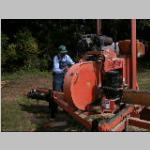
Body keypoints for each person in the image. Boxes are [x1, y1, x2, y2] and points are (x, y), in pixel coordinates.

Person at [50, 45, 75, 118]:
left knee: (65, 93)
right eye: (62, 53)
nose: (64, 54)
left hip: (65, 77)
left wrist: (70, 68)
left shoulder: (67, 57)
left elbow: (73, 63)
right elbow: (55, 69)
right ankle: (53, 111)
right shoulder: (56, 58)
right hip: (58, 77)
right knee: (56, 94)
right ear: (59, 52)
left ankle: (66, 109)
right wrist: (63, 70)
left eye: (64, 52)